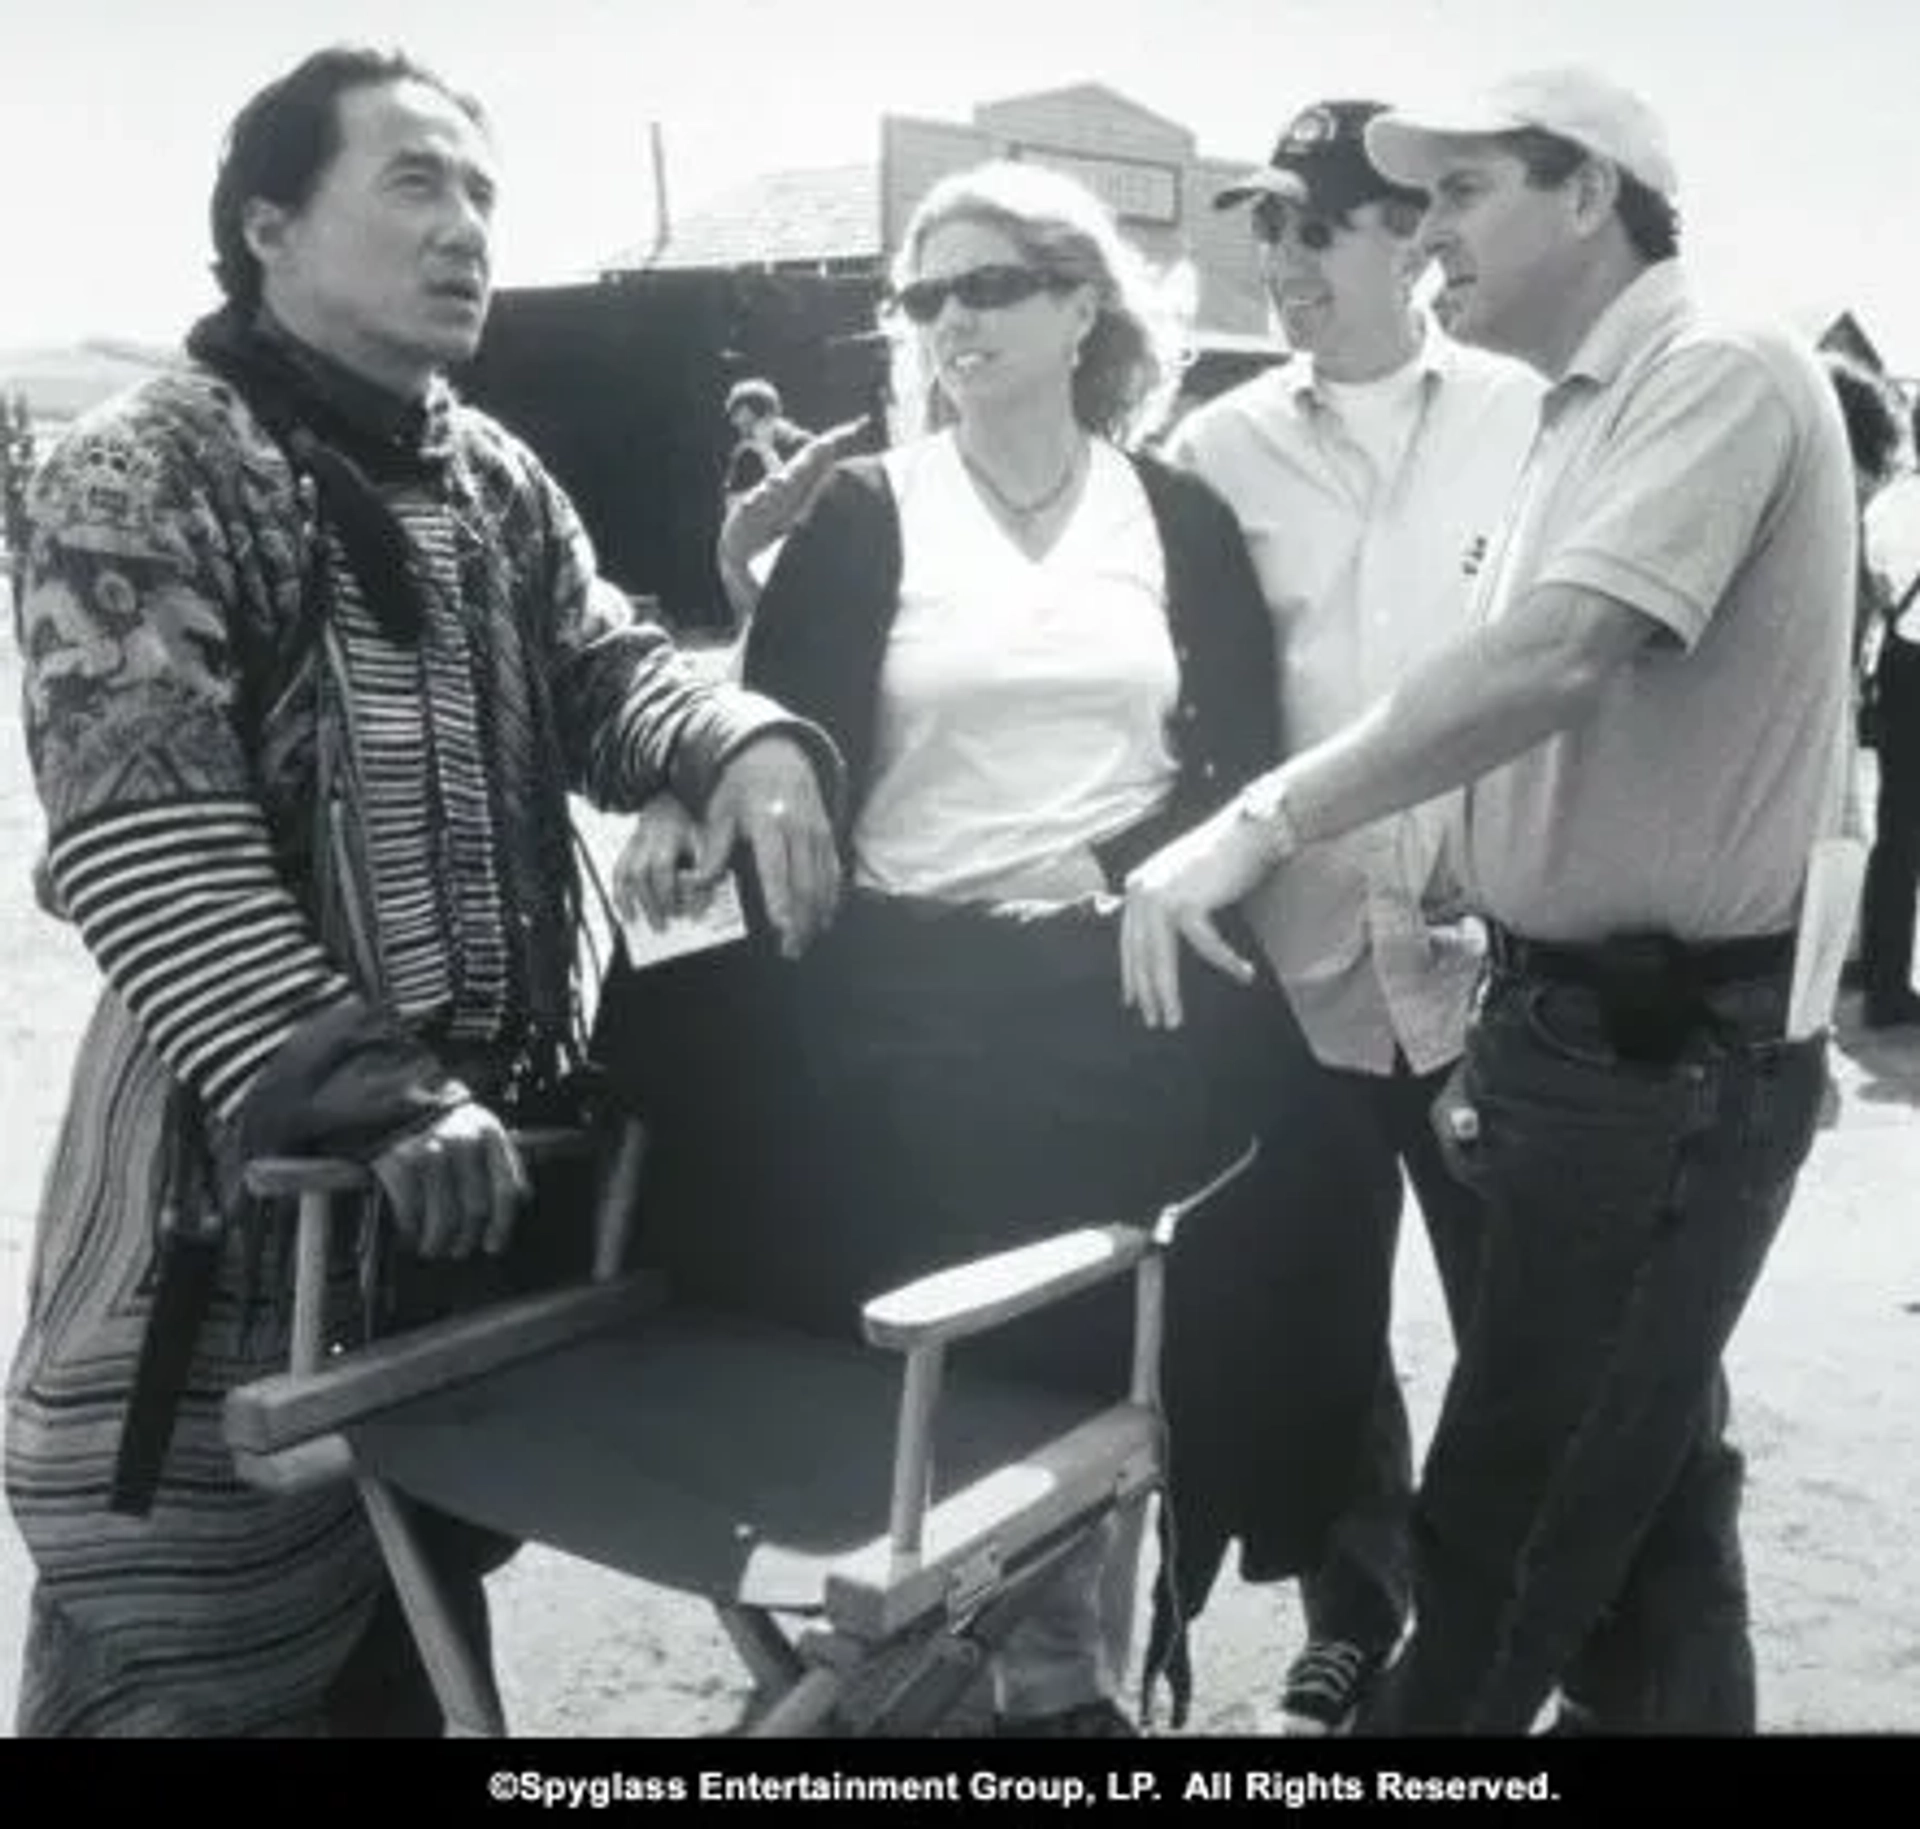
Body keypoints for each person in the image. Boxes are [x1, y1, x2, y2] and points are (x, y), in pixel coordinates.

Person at [5, 43, 841, 1737]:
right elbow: (138, 830)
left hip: (474, 1196)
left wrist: (739, 744)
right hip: (249, 1184)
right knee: (194, 1645)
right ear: (267, 226)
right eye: (414, 184)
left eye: (482, 193)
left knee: (418, 1580)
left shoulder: (492, 475)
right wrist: (373, 1089)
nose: (466, 228)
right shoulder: (143, 465)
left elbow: (609, 670)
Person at [1118, 67, 1854, 1735]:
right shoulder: (1582, 408)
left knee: (1517, 1516)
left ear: (1586, 192)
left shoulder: (1717, 369)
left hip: (1656, 1046)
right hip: (1557, 1024)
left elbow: (1557, 656)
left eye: (1459, 197)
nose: (1433, 236)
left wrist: (1261, 822)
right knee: (1628, 1482)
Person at [616, 157, 1306, 1737]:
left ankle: (1064, 1695)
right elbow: (766, 724)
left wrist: (1128, 867)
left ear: (1082, 306)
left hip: (1104, 997)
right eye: (926, 296)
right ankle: (919, 1687)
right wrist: (681, 792)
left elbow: (1242, 758)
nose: (949, 321)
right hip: (898, 1006)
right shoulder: (868, 509)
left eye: (989, 285)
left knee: (1085, 1356)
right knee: (906, 1356)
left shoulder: (1175, 512)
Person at [1155, 96, 1542, 1734]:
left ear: (1411, 240)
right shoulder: (1208, 450)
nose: (1284, 260)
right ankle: (1348, 1614)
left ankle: (1521, 1627)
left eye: (1318, 227)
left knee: (1536, 1328)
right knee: (1320, 1331)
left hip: (1498, 969)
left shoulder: (1538, 417)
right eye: (1268, 228)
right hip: (1292, 965)